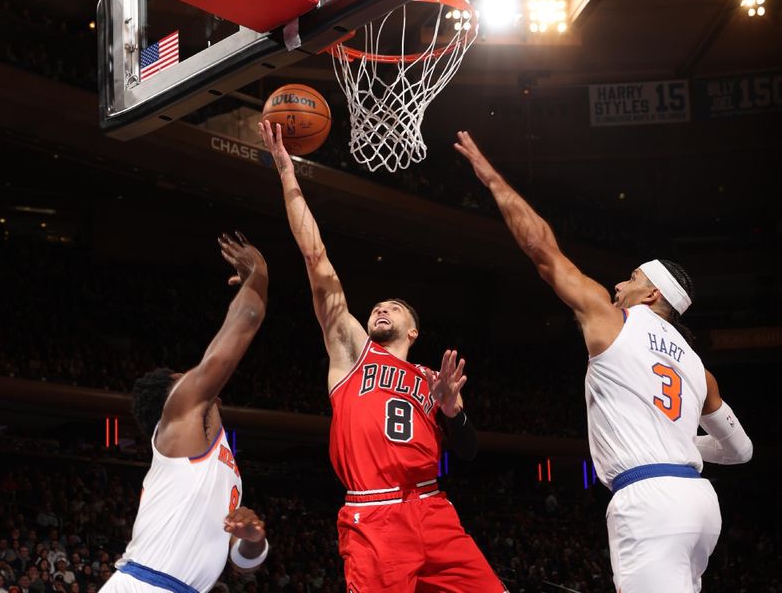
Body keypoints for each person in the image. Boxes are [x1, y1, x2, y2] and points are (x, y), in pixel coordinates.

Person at [454, 130, 753, 593]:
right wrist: (687, 448)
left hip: (649, 500)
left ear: (652, 294)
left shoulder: (613, 320)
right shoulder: (699, 369)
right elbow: (741, 451)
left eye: (631, 278)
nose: (619, 285)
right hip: (699, 505)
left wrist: (493, 180)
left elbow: (543, 254)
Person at [259, 120, 506, 593]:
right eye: (377, 306)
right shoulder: (353, 351)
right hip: (374, 511)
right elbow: (317, 259)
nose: (380, 308)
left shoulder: (434, 377)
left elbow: (470, 450)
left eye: (393, 307)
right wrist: (287, 173)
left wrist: (452, 410)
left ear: (413, 330)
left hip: (433, 509)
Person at [101, 232, 271, 593]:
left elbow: (244, 563)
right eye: (183, 379)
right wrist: (259, 271)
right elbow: (246, 320)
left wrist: (252, 536)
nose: (195, 378)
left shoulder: (225, 466)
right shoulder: (179, 421)